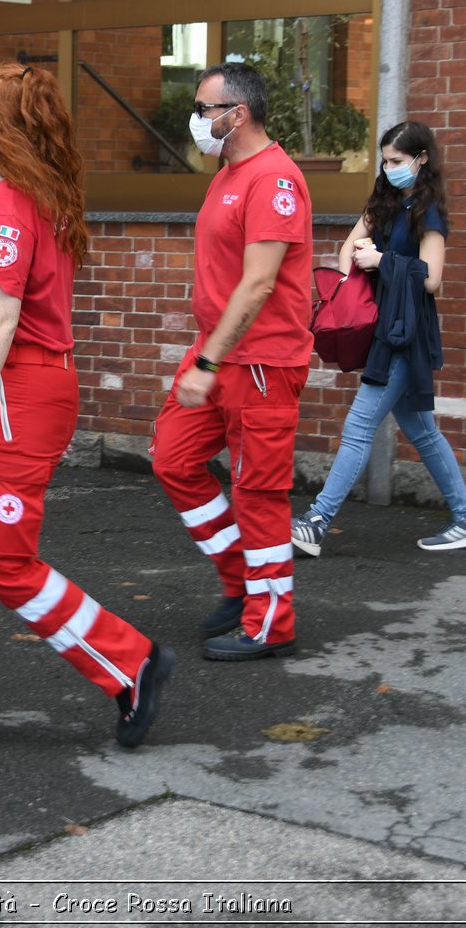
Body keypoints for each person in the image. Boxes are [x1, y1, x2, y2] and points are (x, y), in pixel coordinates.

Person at [0, 63, 171, 750]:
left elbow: (3, 319)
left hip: (18, 391)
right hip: (4, 388)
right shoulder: (26, 196)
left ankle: (129, 661)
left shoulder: (13, 203)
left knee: (1, 557)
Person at [151, 61, 313, 662]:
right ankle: (245, 579)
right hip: (220, 356)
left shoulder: (274, 180)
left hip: (259, 363)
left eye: (203, 109)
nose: (196, 119)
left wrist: (208, 361)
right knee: (173, 458)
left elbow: (259, 284)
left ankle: (271, 621)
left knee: (259, 493)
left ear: (236, 114)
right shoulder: (228, 173)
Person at [292, 121, 466, 556]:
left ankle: (316, 521)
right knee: (423, 433)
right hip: (386, 326)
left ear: (422, 160)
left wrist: (382, 260)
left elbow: (432, 279)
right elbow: (349, 245)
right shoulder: (385, 201)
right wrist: (350, 286)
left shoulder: (429, 214)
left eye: (397, 161)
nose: (389, 168)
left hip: (407, 332)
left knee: (360, 424)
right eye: (385, 160)